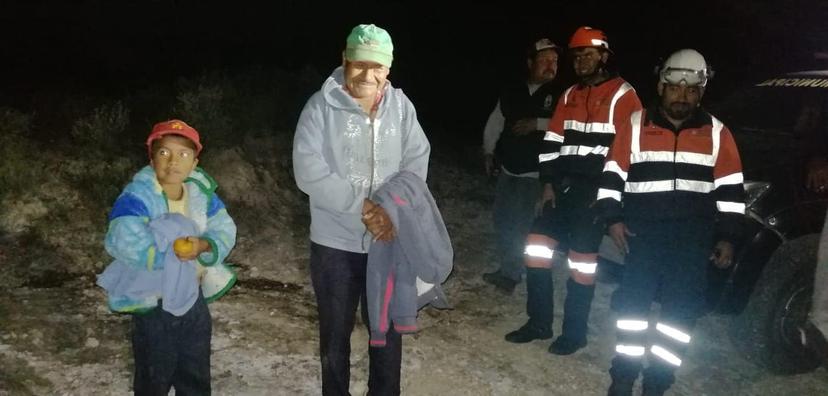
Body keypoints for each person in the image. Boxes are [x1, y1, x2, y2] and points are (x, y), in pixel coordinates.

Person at [292, 23, 430, 396]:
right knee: (334, 334)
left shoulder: (401, 108)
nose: (368, 74)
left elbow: (416, 162)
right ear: (345, 60)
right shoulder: (320, 106)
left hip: (388, 240)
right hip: (334, 243)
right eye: (359, 64)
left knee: (386, 330)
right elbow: (308, 169)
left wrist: (391, 210)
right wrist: (362, 206)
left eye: (378, 66)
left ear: (388, 68)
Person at [596, 49, 745, 395]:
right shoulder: (635, 125)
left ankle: (658, 383)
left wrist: (728, 237)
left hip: (693, 243)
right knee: (632, 310)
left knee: (678, 319)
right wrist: (612, 219)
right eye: (675, 87)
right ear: (661, 86)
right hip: (642, 236)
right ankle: (622, 378)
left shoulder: (718, 133)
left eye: (691, 90)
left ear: (701, 92)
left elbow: (731, 192)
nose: (683, 95)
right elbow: (610, 178)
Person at [505, 26, 642, 357]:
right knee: (536, 250)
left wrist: (612, 201)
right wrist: (548, 183)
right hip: (562, 189)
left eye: (588, 54)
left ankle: (575, 333)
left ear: (604, 56)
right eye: (577, 55)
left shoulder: (625, 96)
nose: (581, 61)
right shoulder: (568, 95)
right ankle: (539, 323)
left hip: (595, 194)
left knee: (582, 266)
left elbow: (633, 152)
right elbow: (552, 142)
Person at [97, 119, 238, 395]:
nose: (173, 161)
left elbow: (224, 227)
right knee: (155, 372)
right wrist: (168, 255)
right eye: (164, 153)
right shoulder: (138, 196)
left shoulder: (201, 194)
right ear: (151, 157)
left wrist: (205, 245)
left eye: (184, 154)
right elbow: (121, 237)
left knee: (195, 368)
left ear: (195, 163)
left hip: (192, 297)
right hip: (155, 302)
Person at [481, 38, 564, 293]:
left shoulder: (563, 94)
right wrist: (488, 151)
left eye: (555, 61)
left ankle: (517, 274)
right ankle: (508, 268)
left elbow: (572, 127)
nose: (551, 66)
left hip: (539, 174)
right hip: (509, 168)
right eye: (544, 60)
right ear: (531, 63)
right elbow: (497, 119)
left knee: (525, 225)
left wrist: (537, 124)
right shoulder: (513, 89)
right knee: (502, 219)